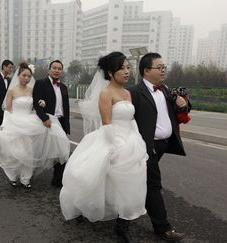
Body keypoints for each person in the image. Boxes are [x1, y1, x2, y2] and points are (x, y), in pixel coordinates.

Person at [60, 52, 147, 243]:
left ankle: (122, 224)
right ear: (110, 72)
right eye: (121, 68)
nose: (126, 71)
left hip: (130, 140)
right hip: (112, 140)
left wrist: (138, 140)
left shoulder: (127, 93)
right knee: (97, 179)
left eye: (127, 67)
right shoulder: (106, 93)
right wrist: (116, 147)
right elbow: (107, 123)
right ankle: (83, 207)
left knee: (129, 183)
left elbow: (131, 119)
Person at [128, 52, 190, 242]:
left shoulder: (165, 90)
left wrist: (183, 103)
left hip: (164, 145)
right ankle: (163, 228)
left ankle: (121, 207)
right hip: (147, 147)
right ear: (146, 70)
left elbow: (184, 109)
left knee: (140, 182)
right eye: (159, 67)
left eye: (164, 67)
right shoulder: (134, 92)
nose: (163, 70)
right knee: (153, 184)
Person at [0, 63, 70, 188]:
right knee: (15, 152)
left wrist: (41, 103)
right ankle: (13, 176)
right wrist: (3, 125)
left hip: (29, 123)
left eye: (29, 76)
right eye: (24, 75)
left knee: (29, 153)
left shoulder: (32, 90)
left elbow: (35, 106)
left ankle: (26, 179)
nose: (27, 78)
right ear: (18, 76)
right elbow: (8, 110)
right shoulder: (12, 90)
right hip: (15, 123)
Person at [32, 60, 70, 188]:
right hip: (46, 121)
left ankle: (57, 181)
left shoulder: (63, 87)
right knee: (40, 150)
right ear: (49, 70)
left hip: (60, 122)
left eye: (59, 68)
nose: (57, 70)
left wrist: (66, 126)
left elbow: (66, 108)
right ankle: (27, 173)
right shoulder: (40, 83)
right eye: (54, 68)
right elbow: (36, 102)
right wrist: (44, 118)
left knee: (62, 151)